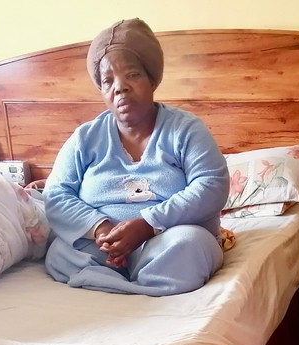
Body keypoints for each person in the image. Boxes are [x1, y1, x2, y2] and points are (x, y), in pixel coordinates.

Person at [42, 18, 230, 296]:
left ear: (152, 79)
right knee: (60, 253)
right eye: (108, 81)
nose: (120, 88)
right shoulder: (85, 137)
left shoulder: (186, 129)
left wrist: (148, 224)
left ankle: (113, 286)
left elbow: (211, 185)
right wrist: (100, 229)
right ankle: (140, 287)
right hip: (103, 247)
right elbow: (56, 194)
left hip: (165, 241)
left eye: (132, 75)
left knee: (192, 245)